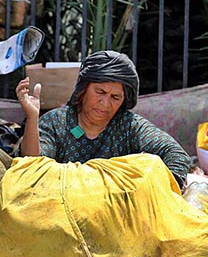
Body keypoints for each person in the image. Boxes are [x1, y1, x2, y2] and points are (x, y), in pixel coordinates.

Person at [16, 50, 191, 188]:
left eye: (115, 97)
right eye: (100, 92)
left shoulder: (130, 126)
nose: (105, 103)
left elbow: (176, 155)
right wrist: (32, 117)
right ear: (83, 89)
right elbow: (32, 164)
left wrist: (153, 192)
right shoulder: (57, 122)